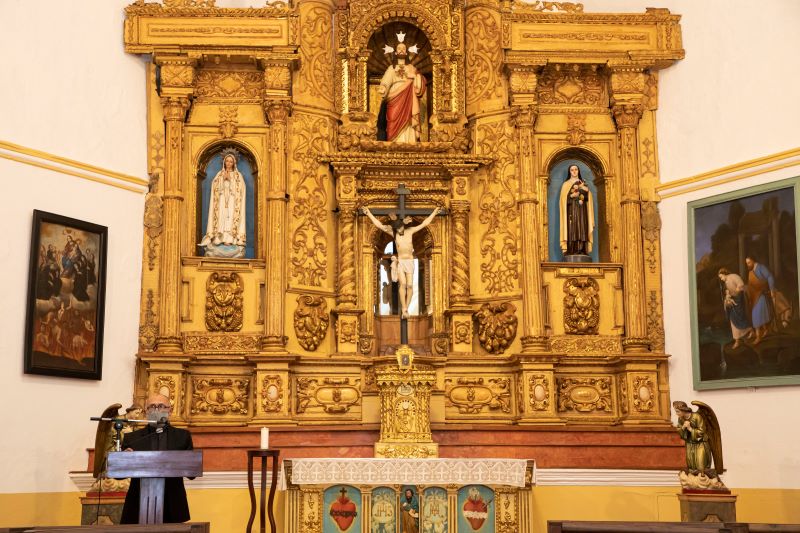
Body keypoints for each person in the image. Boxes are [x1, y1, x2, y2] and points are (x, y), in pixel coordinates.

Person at [120, 393, 194, 524]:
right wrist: (124, 461)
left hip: (172, 504)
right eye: (152, 407)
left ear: (169, 411)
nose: (156, 410)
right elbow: (119, 476)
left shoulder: (182, 436)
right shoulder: (132, 438)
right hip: (138, 504)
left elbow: (191, 473)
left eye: (161, 406)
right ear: (146, 412)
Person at [362, 206, 441, 318]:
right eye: (397, 229)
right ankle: (404, 307)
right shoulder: (394, 234)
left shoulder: (410, 231)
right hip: (401, 262)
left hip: (409, 261)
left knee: (410, 286)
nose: (399, 230)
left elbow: (424, 223)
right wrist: (368, 213)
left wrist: (434, 212)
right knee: (403, 284)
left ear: (403, 225)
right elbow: (379, 225)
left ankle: (405, 309)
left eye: (400, 228)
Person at [377, 40, 427, 143]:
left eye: (403, 49)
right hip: (394, 96)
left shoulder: (411, 68)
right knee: (392, 118)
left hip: (409, 97)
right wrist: (383, 87)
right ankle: (394, 142)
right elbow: (386, 81)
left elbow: (421, 82)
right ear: (395, 52)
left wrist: (415, 77)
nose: (401, 50)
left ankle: (409, 142)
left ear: (406, 52)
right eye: (399, 48)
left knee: (408, 120)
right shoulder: (392, 68)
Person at [200, 151, 247, 258]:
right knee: (221, 218)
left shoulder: (238, 175)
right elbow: (215, 188)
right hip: (221, 201)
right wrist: (222, 180)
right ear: (224, 162)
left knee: (230, 220)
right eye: (227, 161)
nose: (229, 163)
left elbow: (241, 189)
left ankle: (230, 240)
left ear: (234, 163)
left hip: (232, 202)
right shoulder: (219, 174)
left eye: (231, 162)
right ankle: (218, 239)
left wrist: (231, 181)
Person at [558, 164, 595, 257]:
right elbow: (563, 200)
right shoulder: (566, 184)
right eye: (572, 170)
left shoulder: (582, 183)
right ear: (569, 172)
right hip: (571, 210)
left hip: (582, 210)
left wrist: (584, 190)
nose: (574, 171)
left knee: (582, 227)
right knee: (572, 229)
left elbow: (588, 197)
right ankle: (571, 249)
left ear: (578, 171)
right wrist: (571, 196)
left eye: (576, 169)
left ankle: (582, 249)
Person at [717, 267, 753, 349]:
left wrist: (737, 290)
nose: (721, 279)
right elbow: (727, 293)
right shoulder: (725, 283)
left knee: (741, 318)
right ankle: (737, 340)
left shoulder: (733, 276)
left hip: (739, 300)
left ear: (724, 274)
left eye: (721, 276)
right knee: (733, 319)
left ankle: (750, 330)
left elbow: (741, 285)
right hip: (733, 302)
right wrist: (727, 297)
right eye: (720, 278)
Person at [672, 401, 712, 472]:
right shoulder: (681, 419)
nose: (676, 414)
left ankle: (702, 476)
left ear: (683, 410)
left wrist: (690, 428)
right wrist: (683, 427)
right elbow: (679, 430)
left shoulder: (696, 417)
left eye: (678, 411)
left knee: (700, 465)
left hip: (700, 443)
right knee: (692, 466)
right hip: (690, 444)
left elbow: (702, 431)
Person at [744, 255, 775, 344]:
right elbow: (750, 285)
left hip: (761, 295)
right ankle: (765, 330)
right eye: (746, 263)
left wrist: (772, 290)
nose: (748, 265)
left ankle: (758, 336)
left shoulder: (761, 267)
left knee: (756, 315)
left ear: (753, 261)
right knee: (761, 315)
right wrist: (744, 288)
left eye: (749, 262)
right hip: (754, 296)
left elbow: (769, 276)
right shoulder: (750, 271)